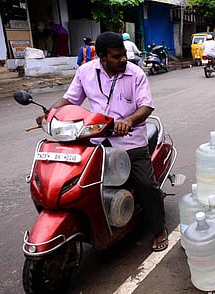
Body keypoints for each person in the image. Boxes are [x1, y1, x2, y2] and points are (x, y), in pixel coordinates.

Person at [35, 31, 169, 252]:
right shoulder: (85, 72)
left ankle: (159, 229)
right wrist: (51, 112)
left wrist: (128, 120)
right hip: (95, 140)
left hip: (130, 142)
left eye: (124, 55)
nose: (123, 59)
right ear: (102, 56)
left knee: (146, 185)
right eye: (117, 56)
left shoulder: (136, 74)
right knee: (78, 181)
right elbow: (70, 99)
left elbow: (146, 107)